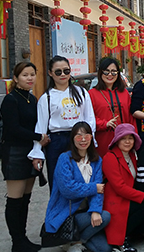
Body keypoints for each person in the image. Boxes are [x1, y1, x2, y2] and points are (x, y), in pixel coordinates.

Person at [0, 61, 49, 252]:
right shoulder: (10, 100)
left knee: (26, 199)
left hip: (31, 152)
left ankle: (23, 238)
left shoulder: (32, 98)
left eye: (32, 75)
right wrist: (39, 137)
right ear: (15, 78)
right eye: (25, 75)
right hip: (15, 153)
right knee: (14, 199)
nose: (29, 78)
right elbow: (13, 128)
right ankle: (16, 241)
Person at [43, 122, 111, 252]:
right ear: (73, 139)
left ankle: (77, 241)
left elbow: (100, 190)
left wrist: (95, 211)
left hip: (86, 212)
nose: (83, 140)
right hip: (68, 213)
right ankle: (72, 243)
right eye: (79, 136)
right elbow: (68, 189)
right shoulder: (65, 159)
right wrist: (93, 188)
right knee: (106, 216)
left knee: (104, 249)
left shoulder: (96, 161)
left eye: (87, 135)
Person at [29, 55, 96, 192]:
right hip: (56, 141)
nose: (63, 75)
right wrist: (37, 153)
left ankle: (79, 212)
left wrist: (90, 140)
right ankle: (59, 211)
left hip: (79, 138)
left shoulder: (81, 93)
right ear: (50, 73)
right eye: (58, 72)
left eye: (66, 71)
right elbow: (41, 127)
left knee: (82, 177)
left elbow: (90, 118)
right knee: (58, 181)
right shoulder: (46, 98)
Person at [102, 123, 144, 252]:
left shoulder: (132, 155)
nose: (127, 141)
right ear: (117, 140)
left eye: (130, 138)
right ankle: (120, 241)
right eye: (123, 138)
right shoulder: (110, 157)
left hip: (127, 197)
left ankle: (131, 233)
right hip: (115, 200)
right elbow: (119, 187)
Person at [89, 57, 134, 157]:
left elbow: (131, 117)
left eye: (114, 72)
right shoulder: (92, 94)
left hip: (124, 141)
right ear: (101, 73)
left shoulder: (124, 93)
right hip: (103, 140)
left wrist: (133, 136)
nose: (110, 75)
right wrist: (104, 124)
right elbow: (88, 119)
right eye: (106, 72)